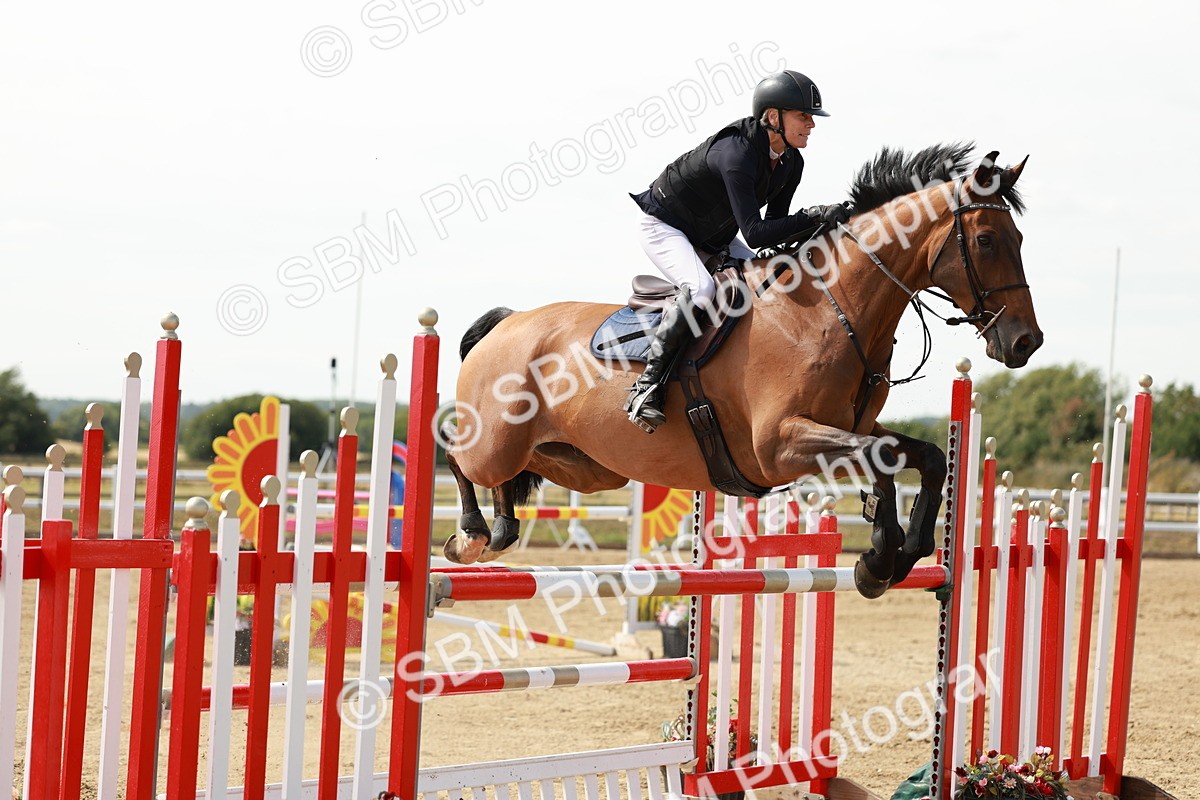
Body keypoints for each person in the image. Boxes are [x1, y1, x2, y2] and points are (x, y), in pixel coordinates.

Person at [625, 69, 850, 433]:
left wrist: (822, 226)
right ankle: (646, 387)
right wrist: (812, 216)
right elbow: (757, 232)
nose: (811, 124)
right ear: (773, 117)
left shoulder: (791, 162)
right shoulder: (737, 154)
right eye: (803, 116)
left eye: (811, 117)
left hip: (717, 235)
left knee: (774, 283)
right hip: (666, 226)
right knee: (701, 290)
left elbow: (777, 226)